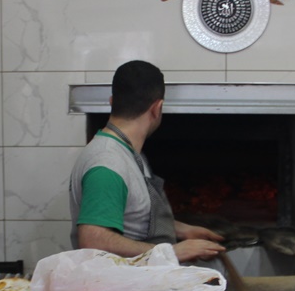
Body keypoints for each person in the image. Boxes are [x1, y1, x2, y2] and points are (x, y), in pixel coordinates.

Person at [69, 60, 225, 262]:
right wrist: (173, 252)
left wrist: (182, 230)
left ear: (112, 101)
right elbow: (93, 240)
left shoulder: (127, 152)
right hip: (118, 289)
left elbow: (133, 216)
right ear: (157, 108)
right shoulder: (107, 163)